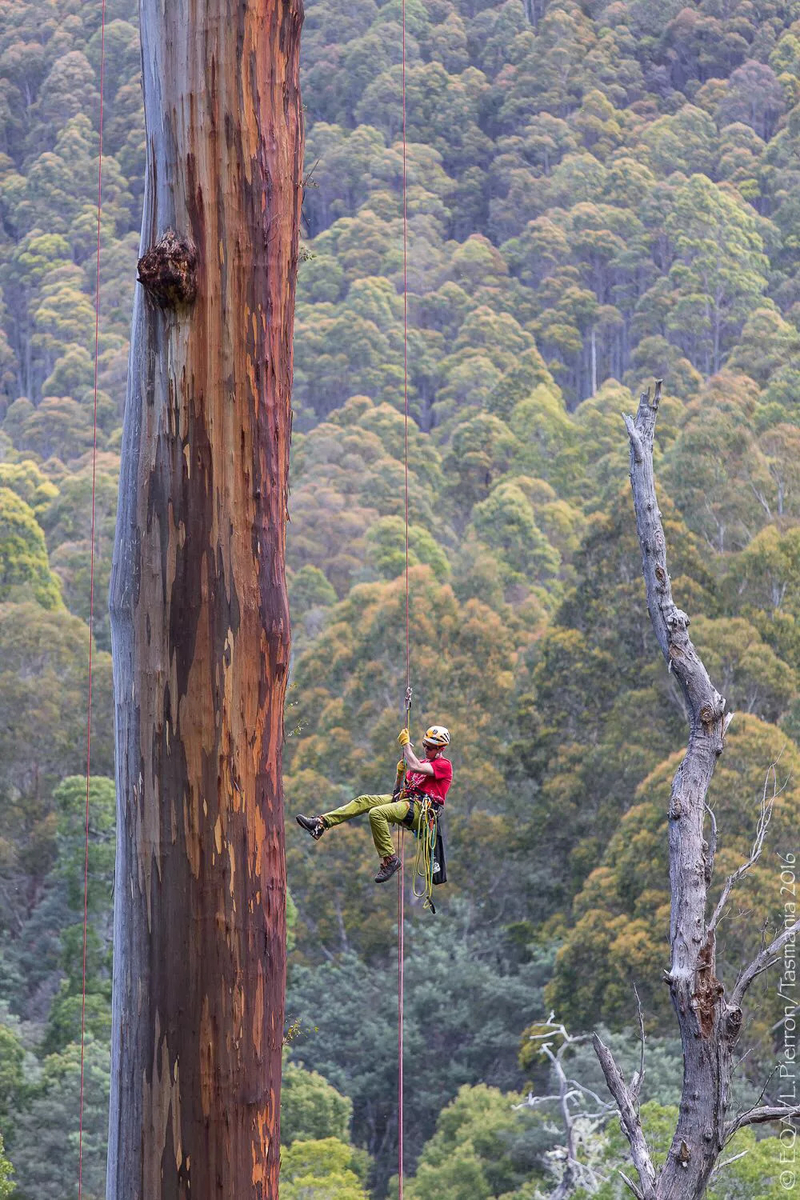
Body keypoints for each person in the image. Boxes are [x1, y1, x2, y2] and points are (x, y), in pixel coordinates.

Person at [296, 725, 453, 882]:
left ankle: (390, 859)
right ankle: (321, 823)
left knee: (376, 814)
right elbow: (397, 791)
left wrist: (406, 744)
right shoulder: (420, 762)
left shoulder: (444, 765)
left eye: (430, 747)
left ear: (441, 749)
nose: (426, 749)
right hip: (405, 800)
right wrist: (399, 774)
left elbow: (415, 766)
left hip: (421, 810)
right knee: (364, 801)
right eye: (424, 745)